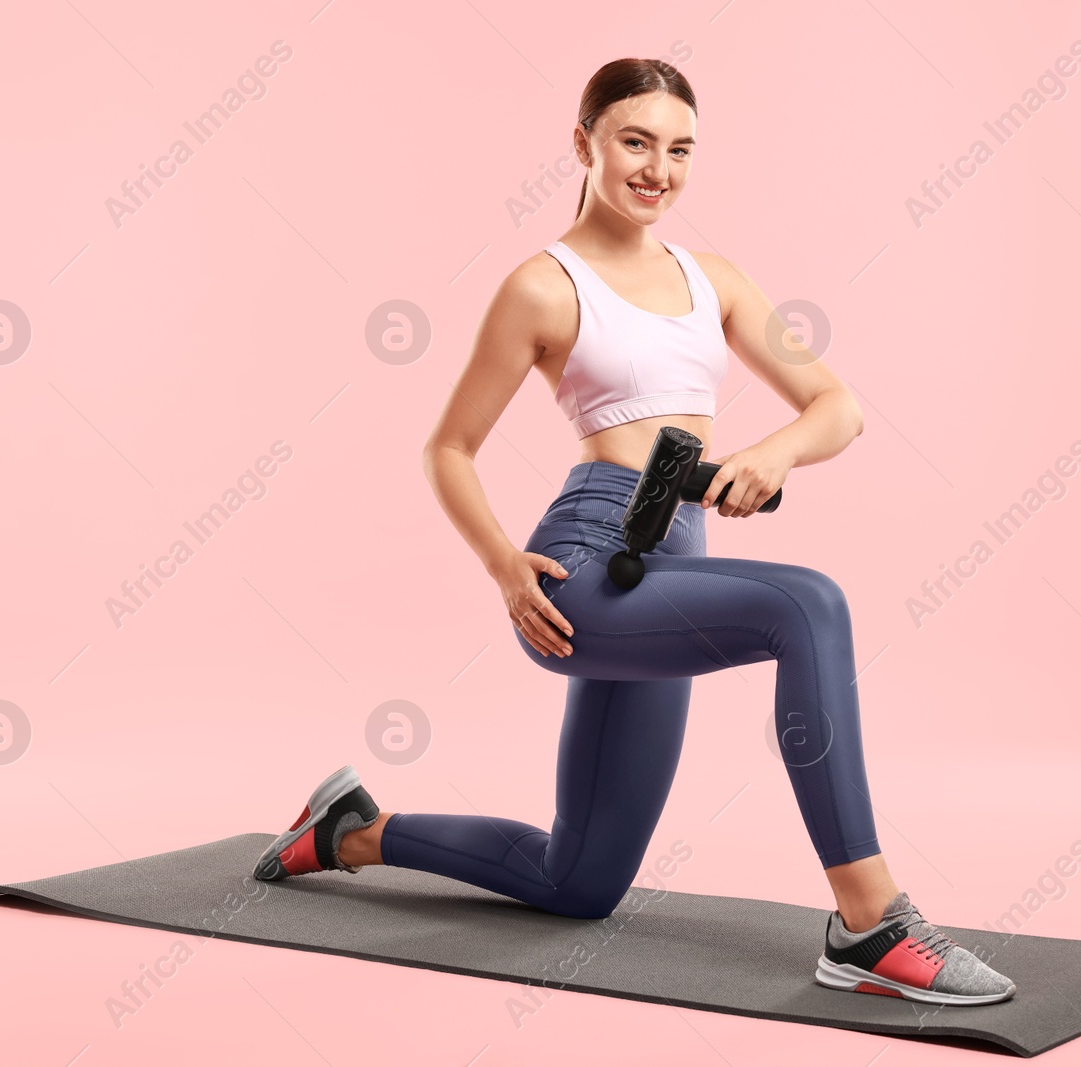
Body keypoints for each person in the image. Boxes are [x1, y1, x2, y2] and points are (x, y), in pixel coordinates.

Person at [253, 58, 1016, 1006]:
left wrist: (772, 455)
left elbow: (837, 406)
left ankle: (352, 829)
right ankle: (870, 923)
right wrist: (503, 568)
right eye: (635, 142)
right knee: (809, 607)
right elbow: (448, 448)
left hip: (678, 556)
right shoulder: (543, 286)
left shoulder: (715, 279)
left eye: (680, 148)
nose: (659, 168)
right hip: (588, 562)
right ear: (585, 145)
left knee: (579, 884)